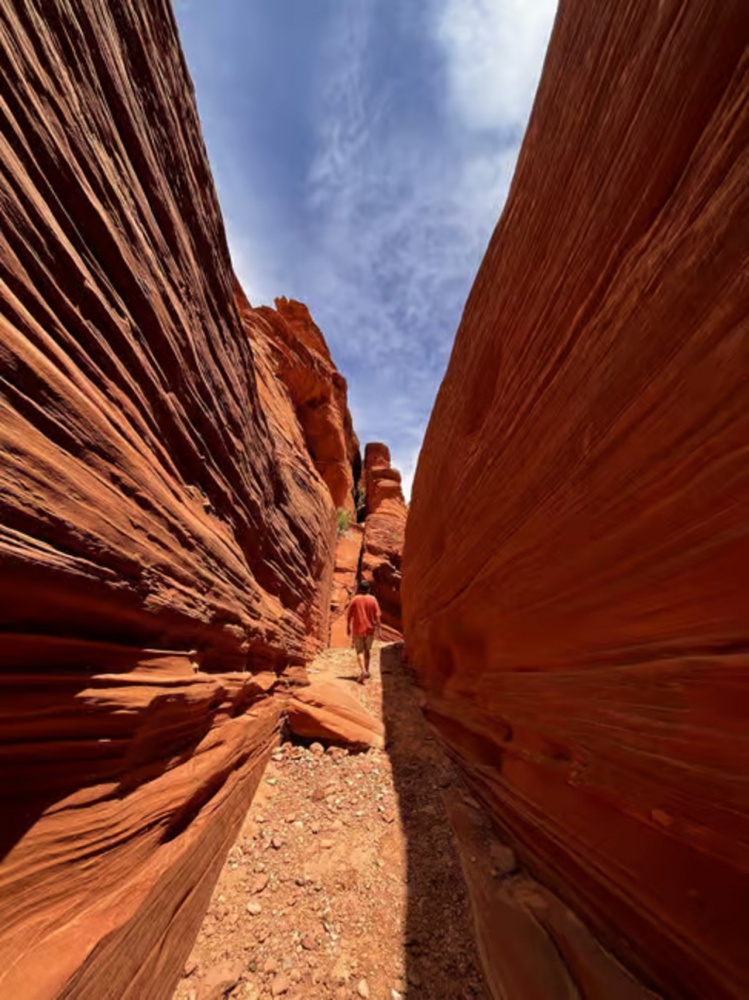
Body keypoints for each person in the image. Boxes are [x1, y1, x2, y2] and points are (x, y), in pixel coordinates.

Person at [346, 580, 381, 683]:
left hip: (358, 629)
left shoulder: (355, 599)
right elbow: (377, 616)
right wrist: (379, 628)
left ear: (359, 589)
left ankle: (363, 670)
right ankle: (367, 670)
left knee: (359, 651)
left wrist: (348, 627)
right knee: (367, 650)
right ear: (369, 589)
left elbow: (349, 615)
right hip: (370, 629)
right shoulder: (373, 599)